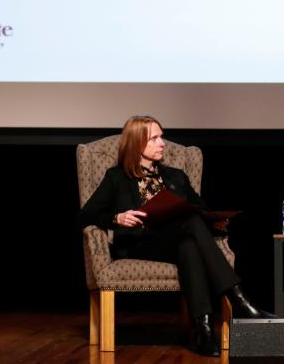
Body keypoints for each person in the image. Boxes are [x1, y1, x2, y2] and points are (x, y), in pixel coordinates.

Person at [79, 114, 273, 356]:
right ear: (138, 143)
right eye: (155, 138)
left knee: (189, 244)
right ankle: (239, 299)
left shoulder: (176, 176)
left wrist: (215, 221)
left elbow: (200, 209)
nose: (163, 143)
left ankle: (203, 331)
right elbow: (86, 214)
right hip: (141, 243)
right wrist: (116, 217)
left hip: (177, 240)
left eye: (162, 137)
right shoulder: (116, 177)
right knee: (189, 225)